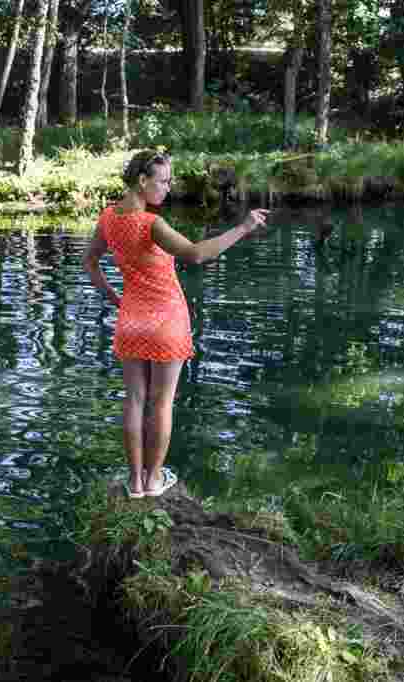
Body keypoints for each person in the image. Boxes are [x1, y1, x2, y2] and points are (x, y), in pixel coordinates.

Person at [82, 150, 270, 498]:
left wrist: (115, 299)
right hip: (165, 320)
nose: (168, 188)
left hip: (131, 318)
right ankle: (154, 481)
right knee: (161, 402)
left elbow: (90, 262)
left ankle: (134, 483)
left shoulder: (108, 218)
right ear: (142, 180)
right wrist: (243, 227)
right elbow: (197, 254)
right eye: (164, 181)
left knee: (134, 400)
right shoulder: (151, 224)